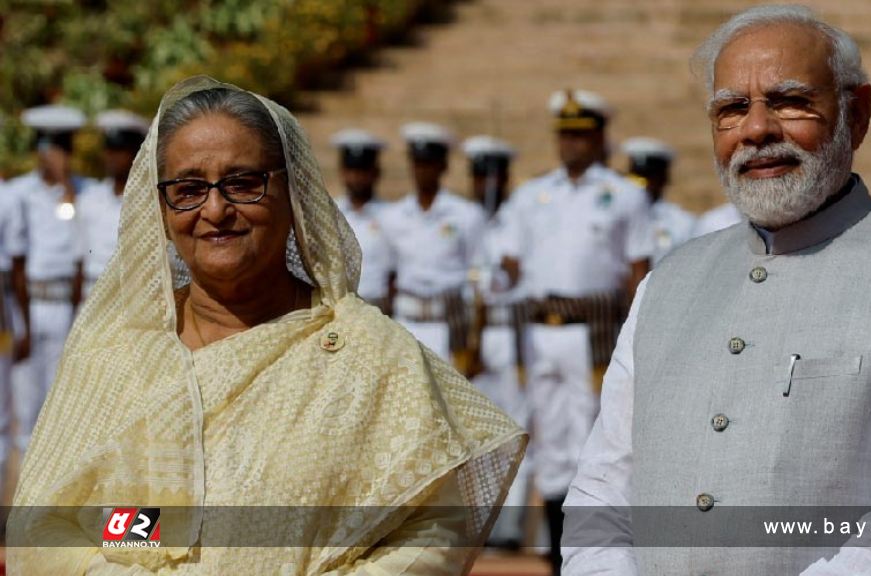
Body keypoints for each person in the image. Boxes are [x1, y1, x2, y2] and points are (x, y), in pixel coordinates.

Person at [9, 76, 526, 574]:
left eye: (242, 183)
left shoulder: (368, 353)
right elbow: (56, 526)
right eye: (188, 189)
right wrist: (160, 546)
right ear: (162, 210)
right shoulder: (118, 353)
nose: (215, 209)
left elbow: (434, 528)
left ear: (291, 192)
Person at [563, 6, 871, 575]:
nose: (757, 130)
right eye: (732, 109)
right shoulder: (668, 282)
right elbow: (601, 489)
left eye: (790, 102)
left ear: (857, 114)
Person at [500, 88, 653, 574]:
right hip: (542, 329)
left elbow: (638, 268)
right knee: (548, 437)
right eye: (564, 135)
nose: (571, 145)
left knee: (595, 435)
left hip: (596, 330)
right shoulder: (533, 195)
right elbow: (509, 257)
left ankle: (594, 550)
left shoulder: (624, 194)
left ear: (600, 137)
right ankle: (554, 548)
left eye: (581, 135)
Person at [6, 104, 92, 455]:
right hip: (26, 305)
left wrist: (68, 189)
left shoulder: (86, 192)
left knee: (63, 407)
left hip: (66, 306)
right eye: (47, 148)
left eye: (60, 148)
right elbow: (14, 260)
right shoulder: (17, 193)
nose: (53, 157)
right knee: (26, 405)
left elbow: (81, 247)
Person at [462, 134, 530, 548]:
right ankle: (473, 521)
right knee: (473, 434)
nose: (486, 183)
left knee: (516, 430)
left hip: (510, 331)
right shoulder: (467, 221)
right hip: (473, 335)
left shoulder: (518, 221)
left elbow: (522, 276)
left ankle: (509, 527)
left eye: (494, 175)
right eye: (479, 175)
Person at [380, 122, 486, 364]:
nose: (422, 170)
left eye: (429, 163)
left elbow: (478, 275)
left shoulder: (466, 214)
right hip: (406, 321)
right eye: (417, 163)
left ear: (443, 166)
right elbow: (389, 277)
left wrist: (474, 339)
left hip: (448, 325)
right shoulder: (393, 216)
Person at [76, 109, 149, 299]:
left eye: (119, 150)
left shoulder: (151, 200)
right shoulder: (89, 198)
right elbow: (81, 261)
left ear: (135, 153)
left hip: (132, 297)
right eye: (109, 150)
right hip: (92, 294)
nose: (112, 158)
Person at [330, 128, 394, 311]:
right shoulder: (331, 213)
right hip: (338, 306)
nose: (356, 177)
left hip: (377, 306)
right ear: (342, 172)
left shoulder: (390, 215)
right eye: (351, 170)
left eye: (363, 170)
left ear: (376, 173)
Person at [0, 170, 29, 500]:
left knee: (3, 417)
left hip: (1, 310)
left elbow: (17, 267)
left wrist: (24, 325)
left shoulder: (7, 198)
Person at [621, 137, 696, 263]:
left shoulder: (681, 223)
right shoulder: (615, 215)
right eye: (636, 177)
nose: (642, 184)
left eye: (649, 177)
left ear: (664, 179)